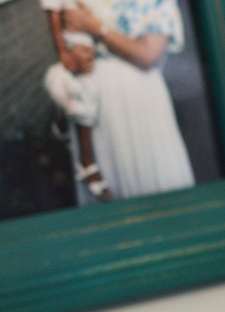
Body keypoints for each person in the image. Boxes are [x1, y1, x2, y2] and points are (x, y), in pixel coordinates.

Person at [60, 0, 195, 205]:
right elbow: (68, 30)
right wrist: (73, 54)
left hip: (137, 95)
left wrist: (95, 28)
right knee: (106, 178)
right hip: (93, 100)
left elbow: (149, 55)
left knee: (150, 175)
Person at [41, 0, 111, 202]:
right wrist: (63, 51)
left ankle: (64, 121)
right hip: (73, 48)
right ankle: (87, 162)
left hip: (88, 46)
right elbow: (54, 17)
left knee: (89, 101)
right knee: (75, 97)